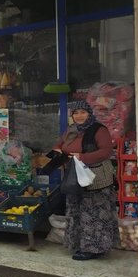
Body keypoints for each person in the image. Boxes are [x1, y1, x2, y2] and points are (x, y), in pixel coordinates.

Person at [53, 100, 119, 260]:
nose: (79, 116)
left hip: (95, 179)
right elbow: (59, 145)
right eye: (76, 113)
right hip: (75, 179)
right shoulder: (70, 130)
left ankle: (94, 249)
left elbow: (106, 151)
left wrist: (82, 157)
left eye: (83, 112)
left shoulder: (99, 130)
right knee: (77, 212)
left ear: (89, 114)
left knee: (94, 214)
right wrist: (55, 154)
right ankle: (80, 244)